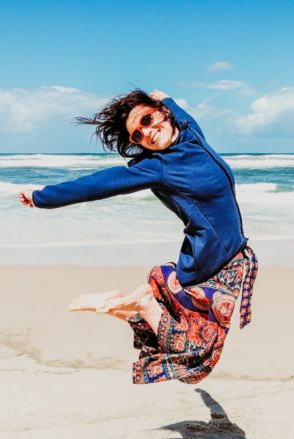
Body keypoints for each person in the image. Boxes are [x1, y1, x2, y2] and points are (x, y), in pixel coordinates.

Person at [19, 89, 257, 384]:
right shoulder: (159, 167)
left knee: (166, 338)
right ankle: (143, 301)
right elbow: (100, 184)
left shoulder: (191, 136)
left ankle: (119, 302)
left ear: (163, 114)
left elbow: (185, 117)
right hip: (212, 267)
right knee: (196, 359)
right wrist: (42, 197)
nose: (147, 133)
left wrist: (168, 99)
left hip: (214, 259)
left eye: (147, 119)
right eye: (137, 136)